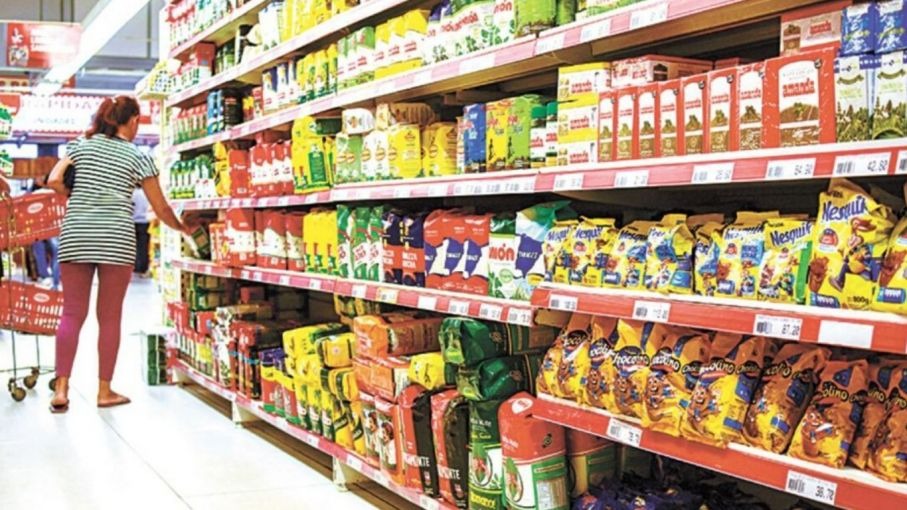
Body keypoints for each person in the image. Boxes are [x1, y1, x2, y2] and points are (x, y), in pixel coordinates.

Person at [46, 95, 191, 413]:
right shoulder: (138, 156)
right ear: (134, 120)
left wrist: (80, 195)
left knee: (72, 314)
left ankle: (61, 389)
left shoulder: (80, 145)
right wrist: (182, 228)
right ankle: (104, 391)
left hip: (77, 234)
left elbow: (54, 179)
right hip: (116, 239)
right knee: (109, 317)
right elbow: (160, 207)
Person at [31, 174, 60, 289]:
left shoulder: (35, 193)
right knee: (56, 252)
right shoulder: (56, 193)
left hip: (38, 226)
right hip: (53, 225)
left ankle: (45, 276)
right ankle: (55, 279)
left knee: (39, 251)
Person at [132, 187, 151, 276]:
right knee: (144, 246)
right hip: (145, 222)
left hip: (133, 221)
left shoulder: (132, 193)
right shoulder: (146, 193)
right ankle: (143, 267)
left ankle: (135, 266)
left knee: (133, 246)